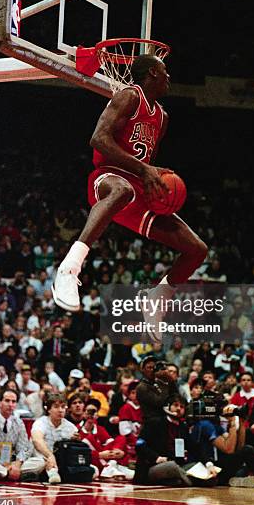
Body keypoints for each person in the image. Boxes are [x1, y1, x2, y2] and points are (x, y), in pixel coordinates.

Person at [51, 54, 208, 342]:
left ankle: (157, 298)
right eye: (165, 71)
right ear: (151, 73)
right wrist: (143, 169)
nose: (169, 77)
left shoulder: (162, 116)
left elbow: (144, 161)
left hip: (136, 186)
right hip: (107, 179)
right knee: (122, 189)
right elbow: (98, 139)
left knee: (197, 249)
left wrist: (154, 174)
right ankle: (69, 268)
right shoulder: (128, 97)